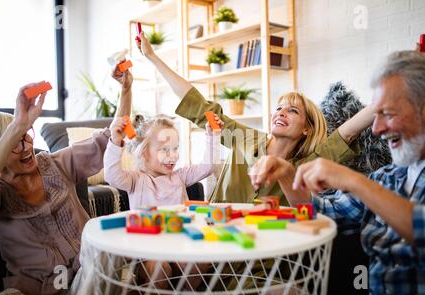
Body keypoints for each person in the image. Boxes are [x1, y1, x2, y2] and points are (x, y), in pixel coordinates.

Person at [250, 50, 425, 295]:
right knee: (271, 294)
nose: (377, 129)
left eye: (388, 114)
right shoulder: (388, 178)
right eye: (376, 114)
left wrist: (353, 180)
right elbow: (322, 210)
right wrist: (287, 175)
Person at [136, 32, 374, 206]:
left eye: (293, 111)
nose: (281, 112)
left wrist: (393, 96)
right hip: (213, 240)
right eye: (279, 107)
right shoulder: (244, 138)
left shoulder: (307, 165)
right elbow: (198, 106)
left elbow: (348, 132)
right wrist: (153, 57)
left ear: (306, 129)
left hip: (262, 256)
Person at [0, 65, 132, 295]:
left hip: (89, 274)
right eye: (15, 142)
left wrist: (126, 89)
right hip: (33, 291)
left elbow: (110, 138)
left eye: (27, 136)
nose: (27, 148)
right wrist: (15, 127)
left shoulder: (54, 163)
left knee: (107, 251)